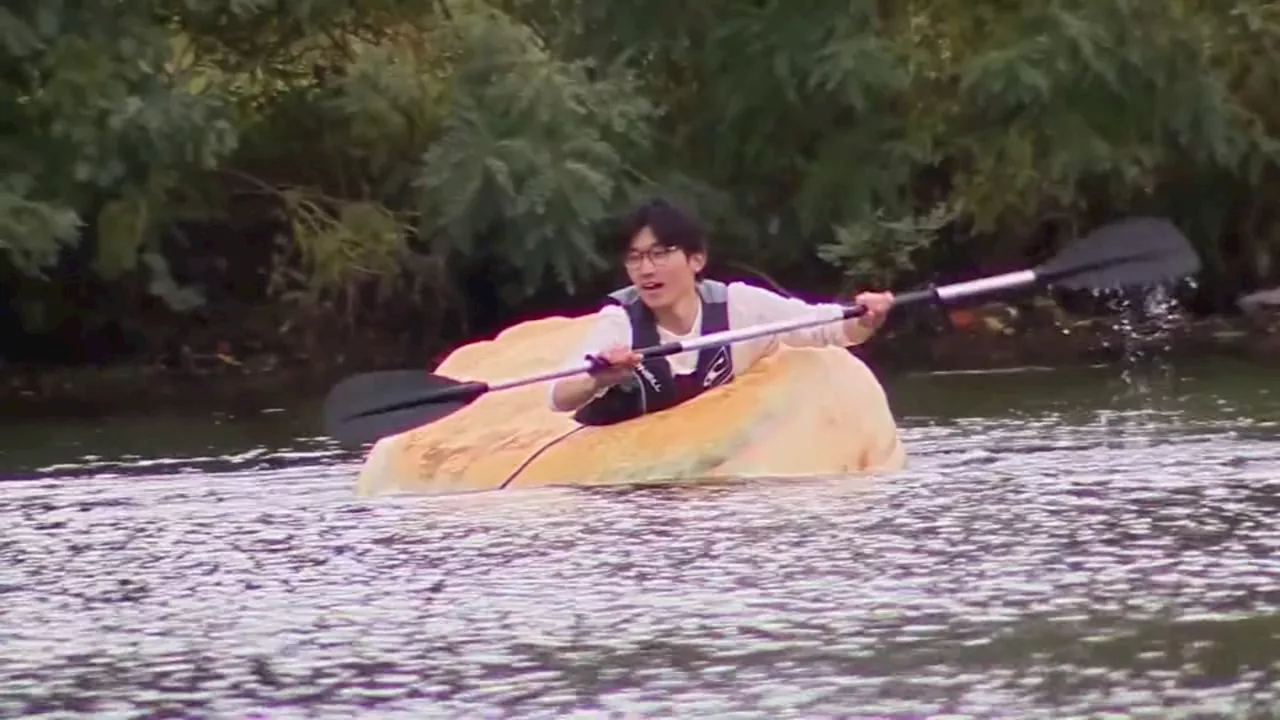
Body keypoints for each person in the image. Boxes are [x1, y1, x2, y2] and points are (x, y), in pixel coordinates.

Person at [548, 198, 894, 426]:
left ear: (696, 260)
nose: (646, 270)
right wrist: (599, 378)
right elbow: (559, 397)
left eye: (660, 253)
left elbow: (825, 329)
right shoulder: (621, 321)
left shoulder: (741, 305)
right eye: (635, 258)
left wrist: (866, 318)